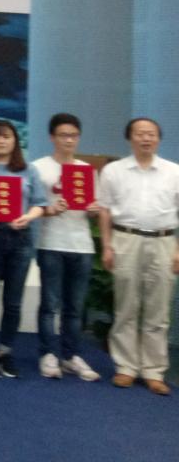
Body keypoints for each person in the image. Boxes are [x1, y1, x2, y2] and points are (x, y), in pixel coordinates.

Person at [98, 117, 179, 396]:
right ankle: (126, 367)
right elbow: (104, 210)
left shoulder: (174, 171)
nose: (146, 138)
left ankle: (154, 371)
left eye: (151, 134)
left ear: (159, 138)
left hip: (164, 241)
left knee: (159, 309)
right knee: (126, 306)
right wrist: (107, 246)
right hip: (125, 239)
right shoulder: (113, 171)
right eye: (140, 133)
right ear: (130, 138)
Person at [0, 119, 47, 378]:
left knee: (13, 302)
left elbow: (40, 203)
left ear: (15, 140)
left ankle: (5, 351)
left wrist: (29, 216)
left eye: (6, 136)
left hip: (20, 239)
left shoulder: (28, 170)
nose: (1, 141)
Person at [31, 113, 101, 381]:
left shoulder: (87, 170)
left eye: (73, 135)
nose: (69, 140)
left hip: (81, 245)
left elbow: (95, 207)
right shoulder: (39, 167)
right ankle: (48, 354)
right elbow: (32, 205)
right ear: (52, 137)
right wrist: (49, 209)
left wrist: (93, 210)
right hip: (51, 242)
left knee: (75, 306)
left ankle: (71, 356)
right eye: (63, 135)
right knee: (50, 304)